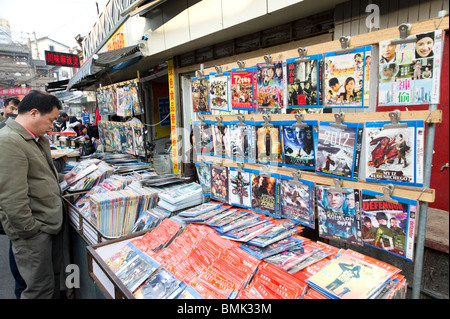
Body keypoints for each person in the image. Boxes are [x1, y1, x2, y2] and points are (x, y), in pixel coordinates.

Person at [0, 90, 76, 299]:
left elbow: (39, 174)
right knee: (38, 289)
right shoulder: (9, 141)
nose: (52, 126)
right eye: (51, 120)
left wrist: (63, 178)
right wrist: (31, 231)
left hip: (49, 224)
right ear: (34, 113)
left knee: (50, 281)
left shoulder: (36, 139)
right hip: (35, 232)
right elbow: (11, 197)